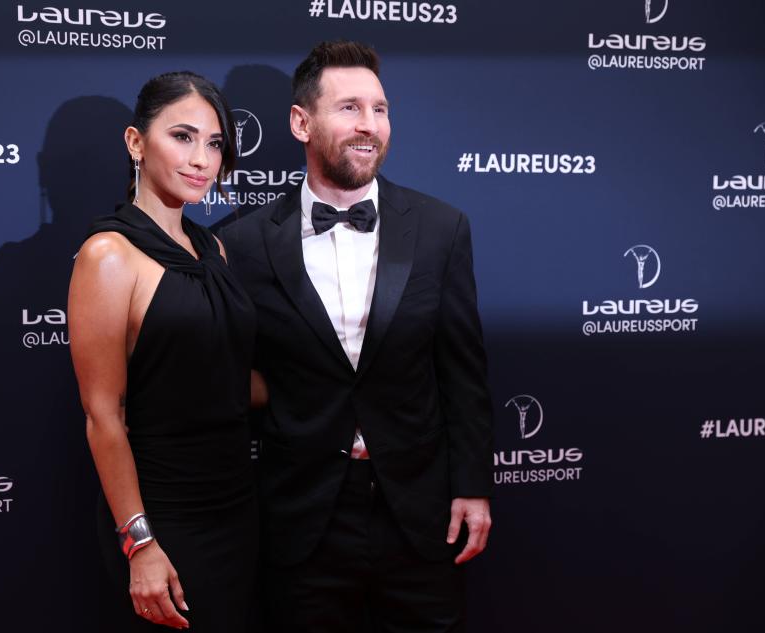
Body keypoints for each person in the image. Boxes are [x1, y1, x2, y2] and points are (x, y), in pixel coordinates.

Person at [219, 41, 494, 632]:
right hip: (302, 516)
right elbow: (228, 382)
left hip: (419, 513)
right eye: (349, 108)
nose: (370, 124)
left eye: (380, 109)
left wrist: (473, 485)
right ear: (302, 123)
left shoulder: (441, 229)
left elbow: (463, 372)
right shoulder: (240, 245)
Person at [68, 71, 258, 631]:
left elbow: (225, 377)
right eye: (182, 136)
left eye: (215, 143)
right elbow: (103, 415)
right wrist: (141, 542)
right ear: (135, 142)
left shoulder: (213, 247)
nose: (202, 159)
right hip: (165, 518)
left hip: (238, 505)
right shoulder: (109, 255)